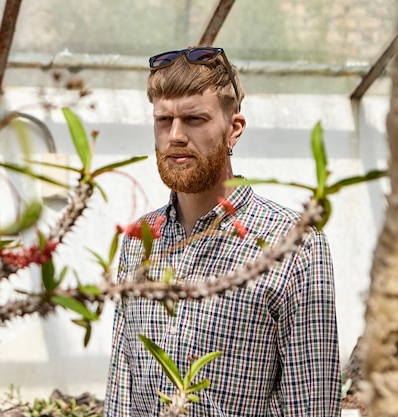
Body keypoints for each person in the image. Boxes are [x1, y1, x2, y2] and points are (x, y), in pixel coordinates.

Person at [104, 46, 341, 417]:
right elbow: (122, 387)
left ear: (234, 129)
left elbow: (311, 404)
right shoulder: (139, 241)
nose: (176, 136)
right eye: (164, 120)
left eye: (195, 119)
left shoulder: (294, 245)